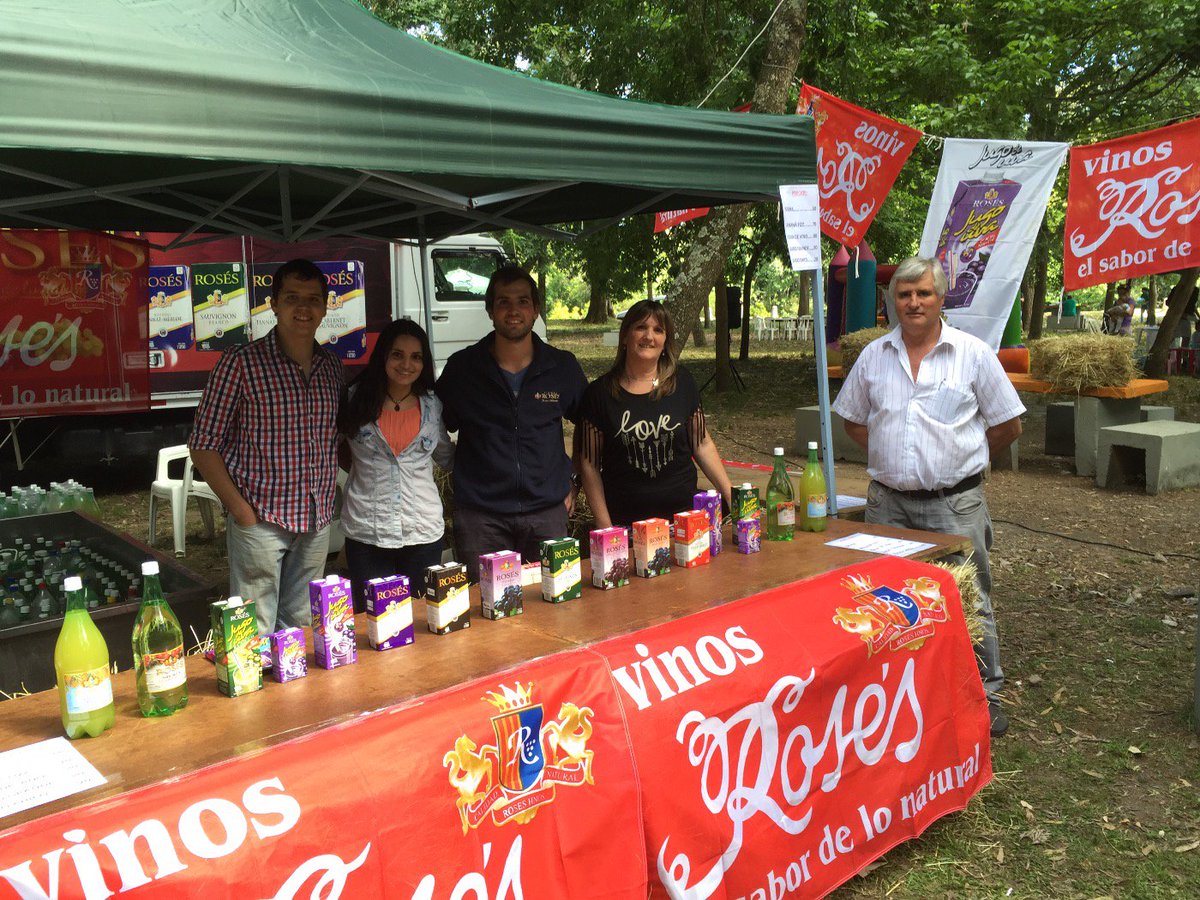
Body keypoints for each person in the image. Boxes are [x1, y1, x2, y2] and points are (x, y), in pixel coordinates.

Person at [833, 256, 1025, 738]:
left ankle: (986, 692)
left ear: (942, 298)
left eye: (923, 293)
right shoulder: (874, 356)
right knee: (885, 599)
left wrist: (962, 462)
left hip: (954, 503)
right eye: (904, 295)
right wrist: (895, 458)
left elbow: (1008, 425)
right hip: (888, 505)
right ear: (892, 301)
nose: (913, 303)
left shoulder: (973, 354)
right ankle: (900, 692)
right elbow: (854, 419)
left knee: (970, 600)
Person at [190, 259, 343, 637]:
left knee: (302, 630)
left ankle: (298, 698)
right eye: (292, 298)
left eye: (313, 299)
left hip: (315, 520)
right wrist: (241, 512)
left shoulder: (331, 366)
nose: (303, 309)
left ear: (326, 306)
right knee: (253, 635)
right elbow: (203, 445)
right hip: (261, 520)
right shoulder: (240, 363)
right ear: (273, 304)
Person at [435, 265, 588, 581]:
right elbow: (433, 424)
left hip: (547, 514)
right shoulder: (463, 369)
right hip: (481, 519)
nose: (513, 310)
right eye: (503, 302)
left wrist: (575, 477)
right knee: (487, 618)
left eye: (522, 301)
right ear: (490, 310)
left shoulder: (561, 367)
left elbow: (591, 424)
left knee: (557, 607)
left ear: (535, 310)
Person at [578, 299, 732, 528]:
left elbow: (702, 444)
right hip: (628, 525)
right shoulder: (598, 394)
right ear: (625, 336)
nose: (649, 336)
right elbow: (588, 466)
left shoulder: (683, 383)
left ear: (665, 341)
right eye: (641, 327)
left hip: (685, 522)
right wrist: (606, 530)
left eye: (658, 330)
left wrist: (732, 497)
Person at [338, 318, 454, 606]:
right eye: (397, 355)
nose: (406, 364)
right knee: (375, 622)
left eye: (416, 357)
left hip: (423, 531)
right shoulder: (354, 399)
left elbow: (445, 456)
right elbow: (333, 450)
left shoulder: (432, 404)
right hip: (367, 531)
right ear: (383, 357)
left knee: (420, 617)